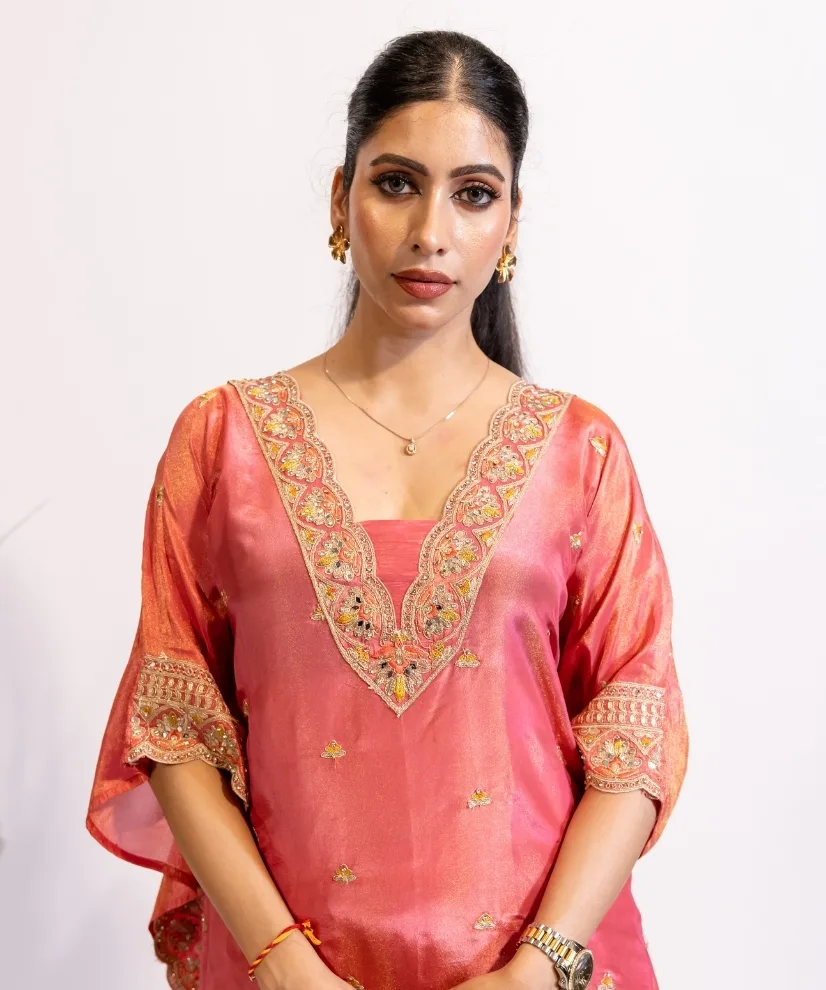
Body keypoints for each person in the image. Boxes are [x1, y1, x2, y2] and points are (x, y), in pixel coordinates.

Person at [87, 29, 688, 990]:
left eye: (474, 194)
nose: (431, 232)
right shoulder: (223, 441)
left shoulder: (582, 453)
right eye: (397, 183)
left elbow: (633, 735)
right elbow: (176, 727)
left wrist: (535, 971)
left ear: (513, 222)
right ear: (341, 199)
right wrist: (282, 965)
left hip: (540, 969)